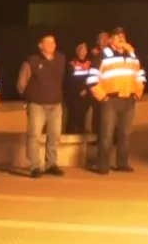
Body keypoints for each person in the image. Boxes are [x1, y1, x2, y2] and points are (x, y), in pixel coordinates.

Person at [87, 27, 146, 174]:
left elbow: (141, 76)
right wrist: (103, 97)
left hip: (129, 100)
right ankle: (103, 165)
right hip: (110, 100)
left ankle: (122, 163)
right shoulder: (102, 56)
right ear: (111, 40)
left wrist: (137, 94)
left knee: (125, 134)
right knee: (106, 134)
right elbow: (92, 79)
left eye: (123, 37)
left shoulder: (132, 56)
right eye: (117, 37)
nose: (121, 39)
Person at [17, 33, 66, 177]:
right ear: (40, 45)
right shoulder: (31, 61)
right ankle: (35, 166)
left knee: (55, 135)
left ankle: (51, 164)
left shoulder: (61, 59)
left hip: (55, 104)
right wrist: (27, 99)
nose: (52, 45)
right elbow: (21, 83)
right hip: (37, 105)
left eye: (54, 42)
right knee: (34, 135)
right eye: (49, 42)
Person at [64, 42, 93, 135]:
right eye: (81, 49)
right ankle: (70, 132)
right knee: (73, 116)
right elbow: (70, 80)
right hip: (74, 96)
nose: (83, 51)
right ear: (77, 51)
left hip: (86, 94)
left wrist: (86, 89)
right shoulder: (72, 64)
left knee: (84, 115)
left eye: (85, 49)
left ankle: (82, 132)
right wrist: (79, 90)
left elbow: (91, 77)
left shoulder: (90, 64)